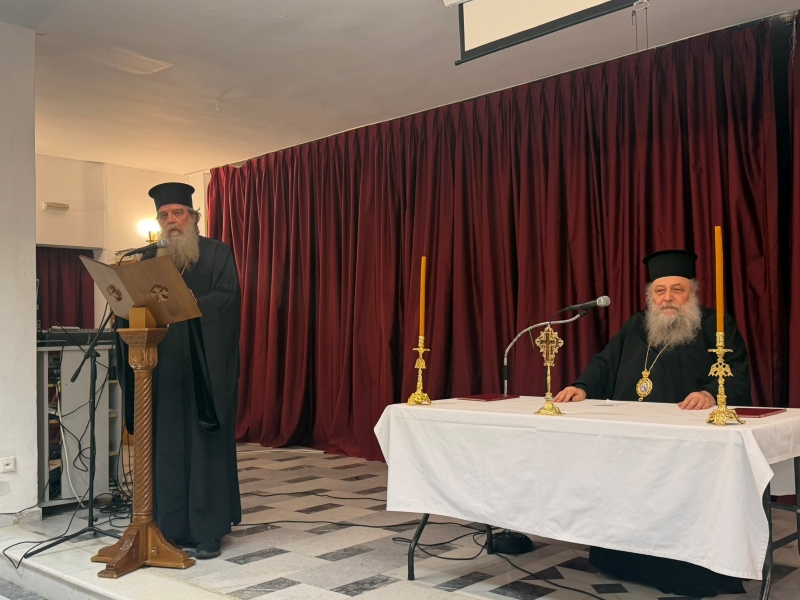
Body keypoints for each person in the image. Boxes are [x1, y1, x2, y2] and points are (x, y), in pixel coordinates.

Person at [553, 249, 751, 597]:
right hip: (631, 437)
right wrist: (582, 386)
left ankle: (688, 574)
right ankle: (623, 562)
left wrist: (710, 394)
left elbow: (735, 370)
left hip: (687, 440)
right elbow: (604, 362)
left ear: (692, 292)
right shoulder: (636, 324)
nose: (668, 297)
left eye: (677, 289)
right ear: (651, 295)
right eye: (660, 290)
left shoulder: (715, 324)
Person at [118, 182, 241, 559]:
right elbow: (131, 303)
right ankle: (167, 526)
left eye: (178, 213)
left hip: (204, 367)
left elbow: (227, 298)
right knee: (166, 446)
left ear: (193, 217)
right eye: (164, 215)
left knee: (204, 447)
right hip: (161, 370)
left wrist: (189, 304)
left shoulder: (218, 253)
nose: (172, 221)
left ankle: (207, 531)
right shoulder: (147, 260)